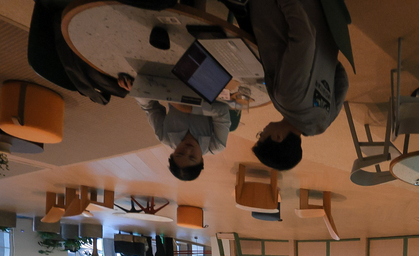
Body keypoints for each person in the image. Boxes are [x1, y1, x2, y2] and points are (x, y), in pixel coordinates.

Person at [249, 0, 351, 171]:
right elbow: (305, 38)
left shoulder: (322, 123)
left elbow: (343, 81)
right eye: (262, 136)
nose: (263, 130)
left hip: (328, 16)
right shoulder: (289, 98)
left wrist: (323, 58)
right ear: (278, 137)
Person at [114, 76, 231, 181]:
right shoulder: (216, 145)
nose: (188, 149)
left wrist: (137, 91)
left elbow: (151, 108)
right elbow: (222, 111)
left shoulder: (165, 137)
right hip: (208, 86)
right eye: (192, 156)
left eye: (180, 153)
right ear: (201, 160)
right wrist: (188, 108)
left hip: (175, 83)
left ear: (172, 154)